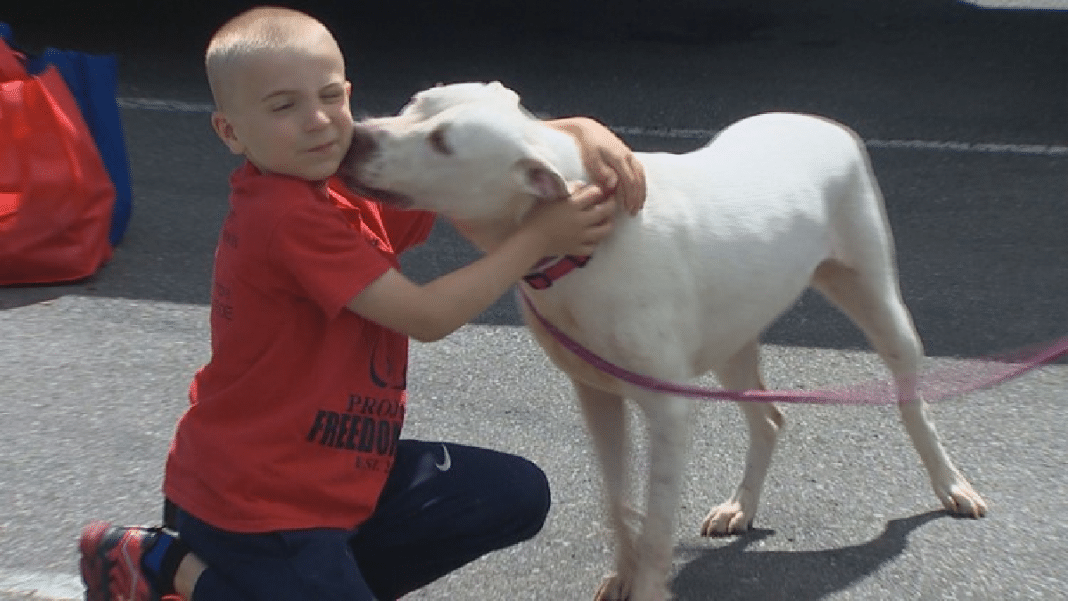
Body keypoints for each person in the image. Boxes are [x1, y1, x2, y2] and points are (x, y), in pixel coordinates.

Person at [78, 6, 645, 601]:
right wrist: (539, 240)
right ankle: (164, 563)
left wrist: (577, 130)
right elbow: (427, 317)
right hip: (254, 509)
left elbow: (468, 167)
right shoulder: (283, 215)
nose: (319, 121)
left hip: (342, 479)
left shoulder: (335, 191)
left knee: (514, 495)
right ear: (230, 132)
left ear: (348, 92)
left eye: (329, 96)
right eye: (283, 106)